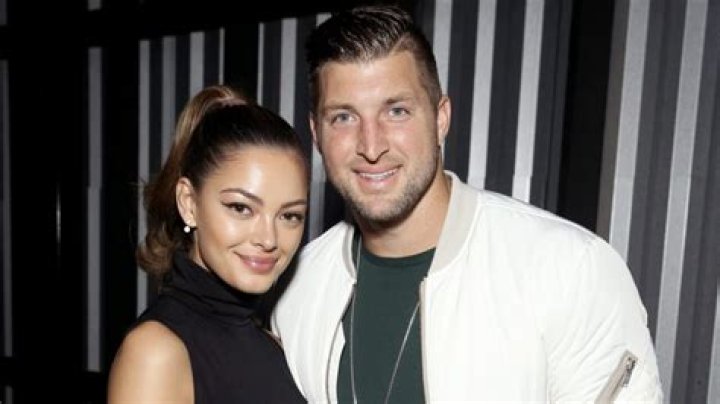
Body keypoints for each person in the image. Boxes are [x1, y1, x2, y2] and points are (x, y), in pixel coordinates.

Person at [272, 5, 662, 403]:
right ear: (316, 134)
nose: (372, 146)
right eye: (343, 117)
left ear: (441, 118)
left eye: (397, 111)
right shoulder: (297, 290)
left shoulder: (569, 270)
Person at [107, 85, 308, 403]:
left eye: (289, 216)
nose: (269, 239)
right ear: (189, 203)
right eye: (241, 208)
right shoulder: (155, 353)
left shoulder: (273, 345)